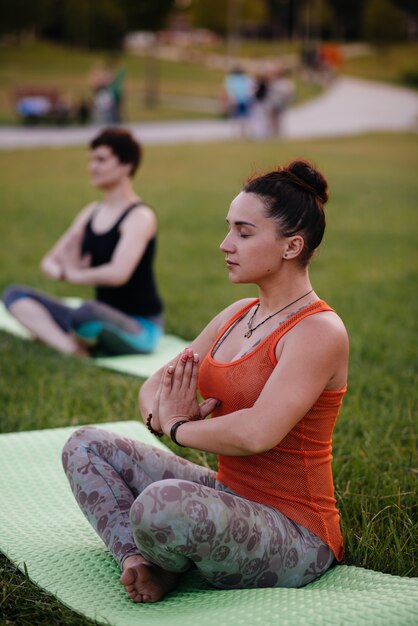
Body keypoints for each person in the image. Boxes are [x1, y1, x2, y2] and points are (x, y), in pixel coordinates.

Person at [62, 160, 349, 602]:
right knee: (85, 445)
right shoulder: (236, 315)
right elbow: (154, 385)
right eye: (229, 229)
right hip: (227, 496)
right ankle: (139, 561)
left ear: (291, 247)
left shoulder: (318, 332)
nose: (225, 244)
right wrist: (165, 417)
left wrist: (178, 428)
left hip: (295, 533)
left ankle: (164, 557)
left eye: (243, 232)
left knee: (161, 505)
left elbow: (256, 433)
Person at [3, 127, 163, 357]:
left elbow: (118, 273)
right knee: (15, 295)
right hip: (98, 317)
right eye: (91, 160)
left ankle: (61, 337)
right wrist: (63, 271)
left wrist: (74, 274)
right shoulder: (91, 213)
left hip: (139, 328)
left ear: (126, 165)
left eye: (101, 160)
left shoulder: (140, 216)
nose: (92, 167)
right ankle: (72, 349)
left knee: (85, 313)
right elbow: (49, 261)